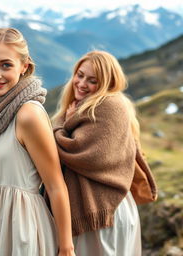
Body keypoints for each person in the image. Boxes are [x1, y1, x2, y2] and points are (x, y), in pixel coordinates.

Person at [0, 28, 75, 256]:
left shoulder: (28, 115)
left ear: (24, 66)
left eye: (6, 65)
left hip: (21, 227)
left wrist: (66, 248)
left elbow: (55, 185)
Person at [52, 50, 157, 256]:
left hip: (103, 213)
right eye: (80, 75)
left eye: (92, 80)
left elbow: (80, 153)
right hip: (100, 211)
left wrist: (61, 126)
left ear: (108, 84)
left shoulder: (108, 106)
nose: (81, 84)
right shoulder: (84, 108)